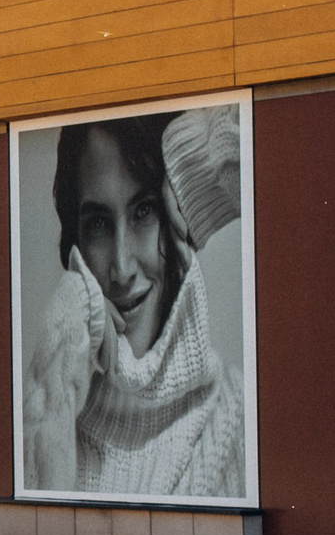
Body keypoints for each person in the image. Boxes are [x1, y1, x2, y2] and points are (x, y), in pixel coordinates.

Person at [23, 107, 245, 498]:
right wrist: (62, 344)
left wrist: (196, 161)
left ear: (178, 216)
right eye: (98, 224)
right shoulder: (50, 412)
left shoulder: (239, 415)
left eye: (144, 211)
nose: (122, 268)